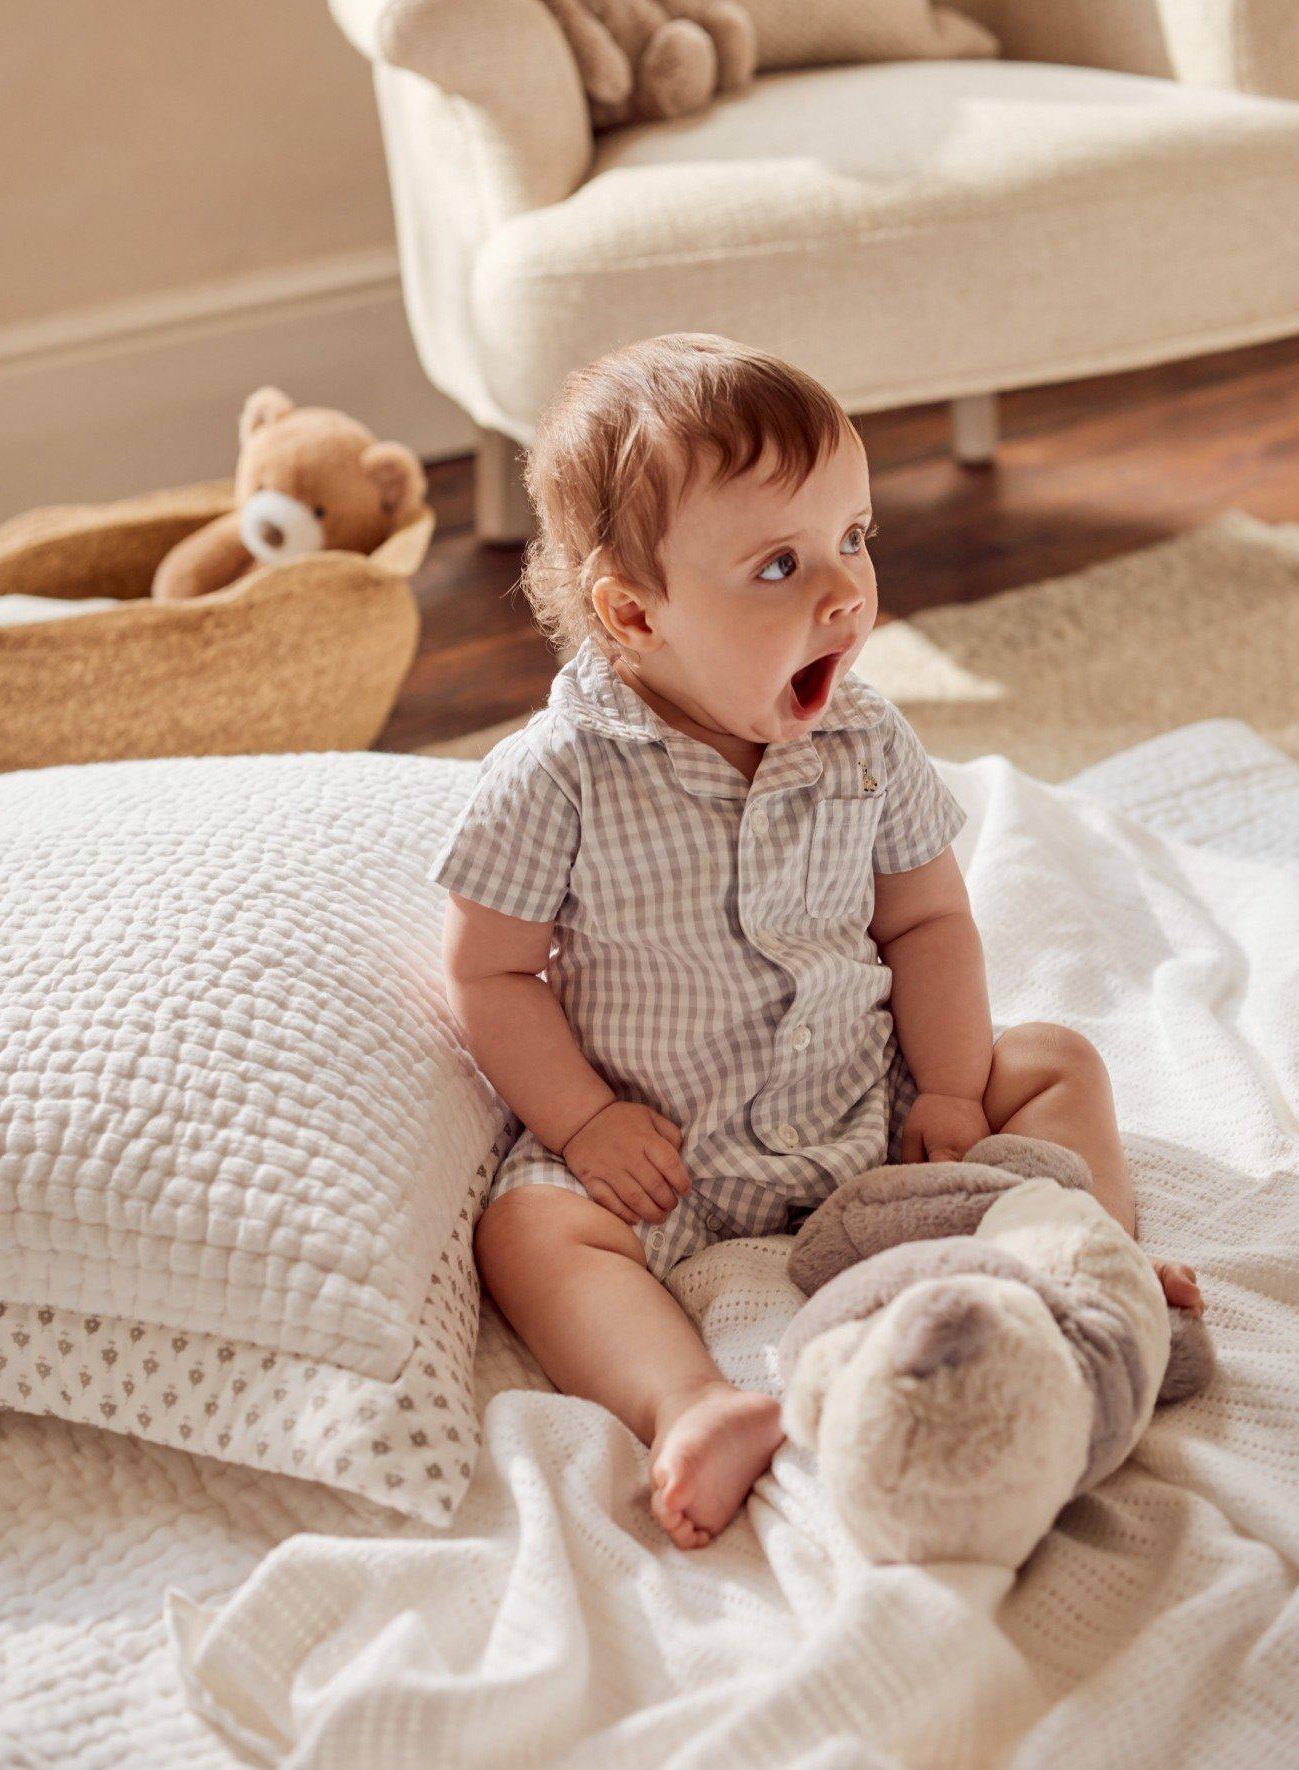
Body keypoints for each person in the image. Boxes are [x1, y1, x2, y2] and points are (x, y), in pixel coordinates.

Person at [427, 333, 1204, 1550]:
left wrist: (948, 1086)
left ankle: (1085, 1264)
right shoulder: (555, 778)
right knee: (527, 1230)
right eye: (779, 564)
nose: (841, 592)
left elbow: (929, 919)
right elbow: (489, 968)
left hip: (868, 1108)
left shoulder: (865, 739)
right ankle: (691, 1403)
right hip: (665, 1148)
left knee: (1055, 1059)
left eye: (854, 539)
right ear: (634, 612)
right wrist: (583, 1122)